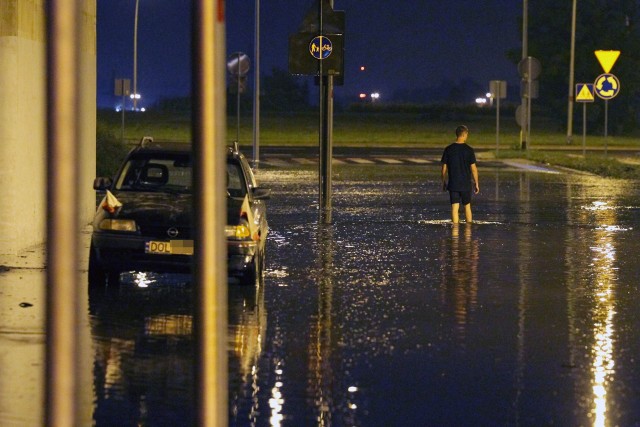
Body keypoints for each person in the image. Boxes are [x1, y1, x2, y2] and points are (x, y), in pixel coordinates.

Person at [440, 125, 479, 223]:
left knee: (454, 207)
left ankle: (455, 233)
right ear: (465, 134)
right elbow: (474, 169)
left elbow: (444, 168)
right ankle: (468, 231)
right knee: (467, 207)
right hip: (466, 184)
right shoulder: (469, 150)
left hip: (453, 184)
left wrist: (444, 181)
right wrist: (476, 183)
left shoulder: (448, 149)